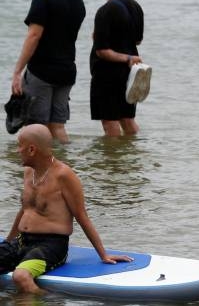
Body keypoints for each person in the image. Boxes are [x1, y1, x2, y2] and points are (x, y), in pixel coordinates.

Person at [1, 124, 132, 294]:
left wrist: (103, 255)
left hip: (51, 246)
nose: (17, 151)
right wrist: (8, 241)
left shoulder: (64, 176)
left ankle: (50, 300)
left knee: (21, 276)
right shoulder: (28, 172)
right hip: (22, 240)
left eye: (20, 146)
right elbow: (25, 210)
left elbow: (81, 216)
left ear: (32, 149)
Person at [11, 0, 86, 144]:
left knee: (35, 127)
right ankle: (65, 165)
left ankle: (33, 172)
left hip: (42, 71)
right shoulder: (78, 3)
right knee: (57, 126)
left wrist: (18, 71)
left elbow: (34, 35)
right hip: (66, 71)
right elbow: (60, 20)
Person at [89, 0, 144, 137]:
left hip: (108, 75)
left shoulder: (105, 11)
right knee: (127, 119)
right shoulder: (135, 6)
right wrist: (128, 56)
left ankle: (113, 162)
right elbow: (137, 40)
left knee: (109, 122)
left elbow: (101, 51)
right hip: (129, 74)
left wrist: (125, 57)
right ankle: (131, 154)